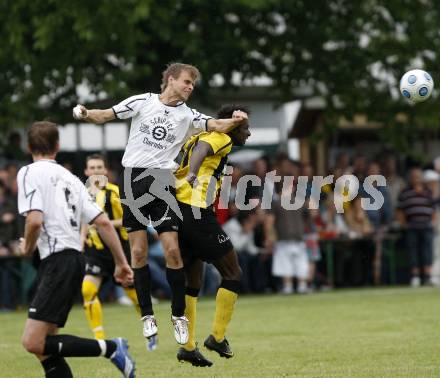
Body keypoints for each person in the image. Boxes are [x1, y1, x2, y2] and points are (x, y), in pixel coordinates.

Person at [73, 62, 248, 345]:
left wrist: (237, 120)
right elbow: (105, 115)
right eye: (186, 81)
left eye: (192, 84)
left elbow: (216, 125)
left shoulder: (187, 114)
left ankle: (178, 315)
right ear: (170, 80)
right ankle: (147, 315)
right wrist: (85, 113)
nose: (190, 87)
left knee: (172, 251)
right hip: (133, 179)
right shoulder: (143, 102)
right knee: (139, 252)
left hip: (162, 181)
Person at [17, 122, 135, 378]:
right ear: (58, 147)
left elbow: (34, 220)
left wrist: (26, 245)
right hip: (73, 259)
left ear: (29, 147)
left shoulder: (28, 172)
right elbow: (103, 221)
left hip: (58, 262)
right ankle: (111, 347)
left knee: (32, 342)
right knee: (45, 348)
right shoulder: (71, 178)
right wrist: (122, 263)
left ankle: (111, 347)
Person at [174, 105, 251, 367]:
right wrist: (194, 173)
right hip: (196, 211)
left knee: (192, 281)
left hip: (179, 209)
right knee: (233, 273)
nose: (248, 134)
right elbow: (202, 151)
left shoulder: (196, 134)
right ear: (233, 126)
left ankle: (186, 346)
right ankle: (217, 337)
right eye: (246, 129)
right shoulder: (222, 137)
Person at [80, 154, 140, 340]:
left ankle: (148, 325)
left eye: (99, 167)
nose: (96, 171)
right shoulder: (83, 194)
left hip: (118, 251)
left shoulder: (114, 192)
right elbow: (84, 219)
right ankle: (99, 338)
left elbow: (127, 219)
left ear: (105, 171)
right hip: (95, 252)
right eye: (93, 168)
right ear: (86, 171)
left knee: (133, 293)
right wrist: (82, 238)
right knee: (88, 290)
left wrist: (103, 224)